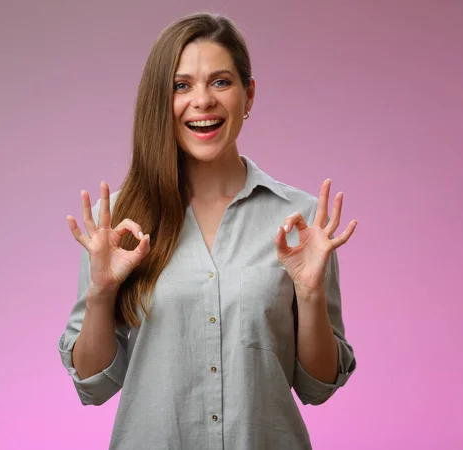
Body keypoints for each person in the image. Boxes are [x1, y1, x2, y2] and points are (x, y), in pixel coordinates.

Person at [58, 12, 358, 450]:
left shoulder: (301, 219)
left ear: (248, 95)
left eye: (220, 82)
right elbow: (94, 385)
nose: (202, 100)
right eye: (181, 86)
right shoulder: (119, 221)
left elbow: (318, 387)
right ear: (160, 100)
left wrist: (310, 295)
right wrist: (102, 293)